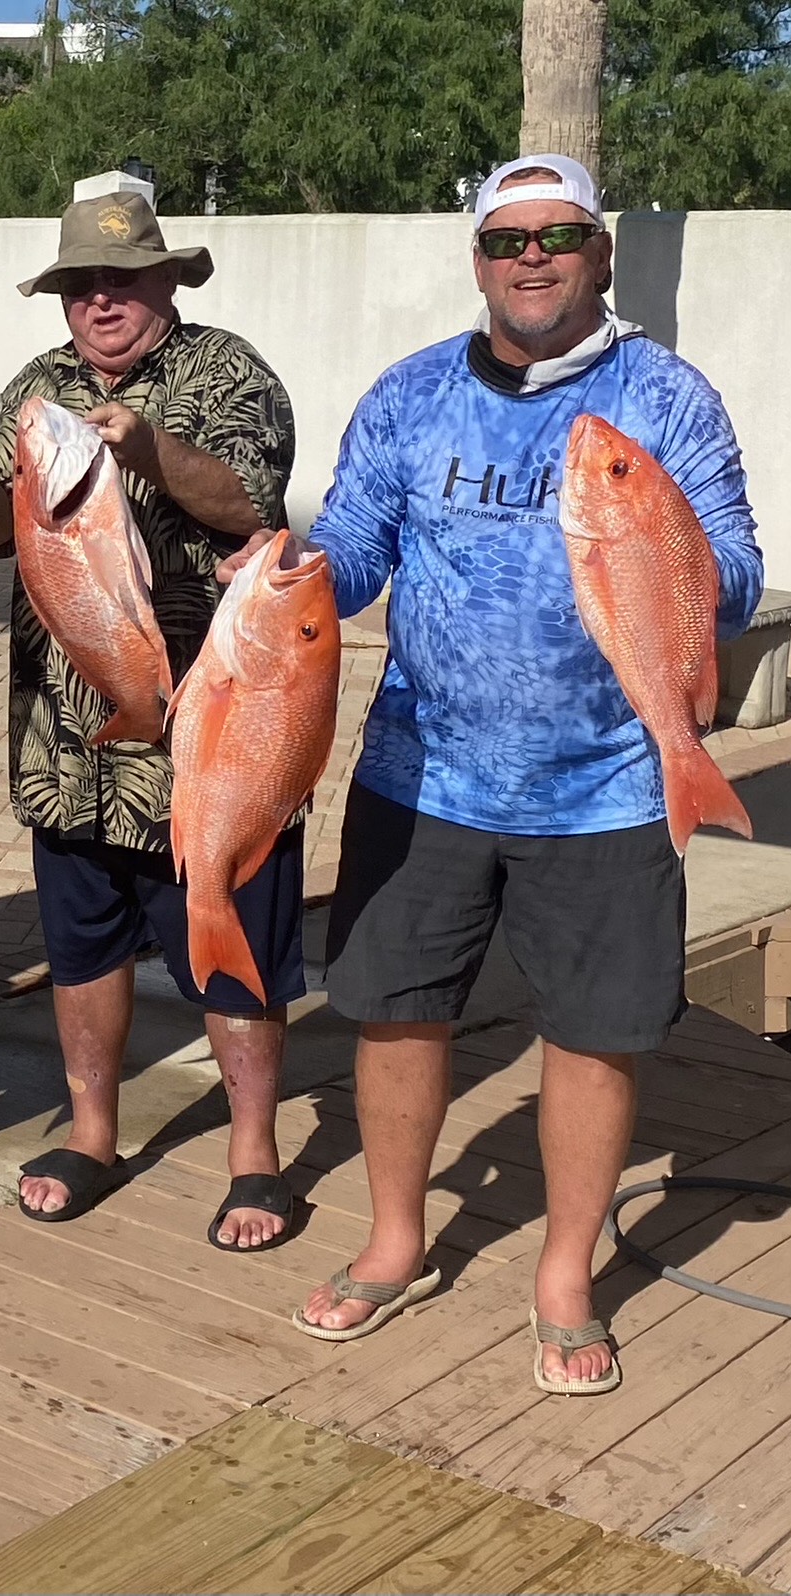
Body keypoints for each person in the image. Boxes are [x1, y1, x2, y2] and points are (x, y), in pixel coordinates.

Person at [245, 155, 762, 1393]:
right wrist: (296, 573)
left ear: (599, 255)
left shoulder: (668, 401)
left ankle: (565, 1274)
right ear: (475, 258)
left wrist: (668, 550)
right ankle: (393, 1238)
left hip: (611, 783)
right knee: (395, 1012)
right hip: (422, 773)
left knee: (593, 1035)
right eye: (504, 240)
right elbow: (360, 547)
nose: (530, 258)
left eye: (558, 235)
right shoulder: (412, 394)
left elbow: (736, 577)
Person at [0, 193, 301, 1240]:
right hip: (67, 739)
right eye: (79, 285)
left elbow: (251, 506)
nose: (98, 299)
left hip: (214, 728)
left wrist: (147, 446)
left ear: (168, 282)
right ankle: (92, 1129)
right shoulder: (34, 388)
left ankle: (255, 1151)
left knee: (231, 935)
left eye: (119, 280)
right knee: (83, 943)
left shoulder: (228, 373)